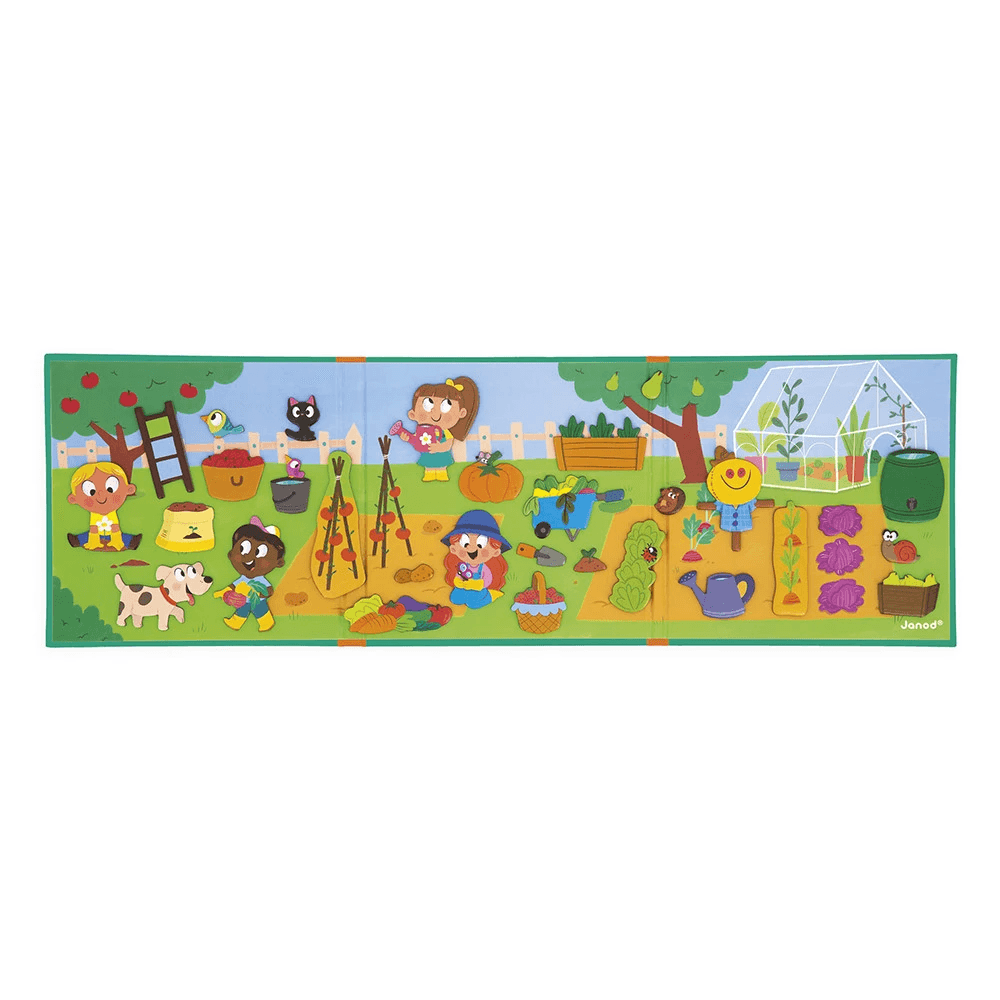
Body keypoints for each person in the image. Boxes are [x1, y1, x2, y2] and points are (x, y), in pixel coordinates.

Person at [389, 376, 480, 482]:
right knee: (428, 465)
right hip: (428, 455)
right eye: (427, 404)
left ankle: (442, 473)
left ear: (462, 413)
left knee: (442, 465)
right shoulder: (421, 430)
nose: (435, 413)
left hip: (441, 454)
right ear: (412, 414)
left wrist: (440, 447)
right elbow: (416, 440)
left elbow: (449, 443)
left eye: (446, 406)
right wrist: (406, 438)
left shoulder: (446, 432)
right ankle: (429, 473)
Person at [221, 517, 285, 632]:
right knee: (241, 611)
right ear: (231, 554)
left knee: (262, 612)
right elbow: (233, 586)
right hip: (244, 600)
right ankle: (235, 623)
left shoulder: (260, 579)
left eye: (259, 552)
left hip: (257, 601)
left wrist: (258, 593)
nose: (249, 558)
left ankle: (267, 623)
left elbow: (269, 591)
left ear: (278, 562)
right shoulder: (243, 578)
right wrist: (222, 592)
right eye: (243, 549)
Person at [66, 461, 141, 551]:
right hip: (97, 533)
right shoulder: (94, 514)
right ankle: (77, 540)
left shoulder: (111, 513)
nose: (101, 495)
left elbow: (115, 526)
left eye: (110, 489)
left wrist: (116, 539)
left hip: (111, 533)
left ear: (129, 489)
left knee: (120, 536)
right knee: (89, 534)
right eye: (91, 492)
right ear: (73, 499)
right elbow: (93, 528)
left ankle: (131, 541)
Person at [442, 510, 510, 609]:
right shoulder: (462, 565)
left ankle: (491, 595)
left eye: (481, 544)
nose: (472, 548)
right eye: (465, 543)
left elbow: (487, 580)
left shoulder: (483, 568)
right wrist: (458, 581)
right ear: (453, 549)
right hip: (464, 588)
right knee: (455, 598)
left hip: (478, 590)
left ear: (495, 551)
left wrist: (478, 584)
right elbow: (459, 574)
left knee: (474, 603)